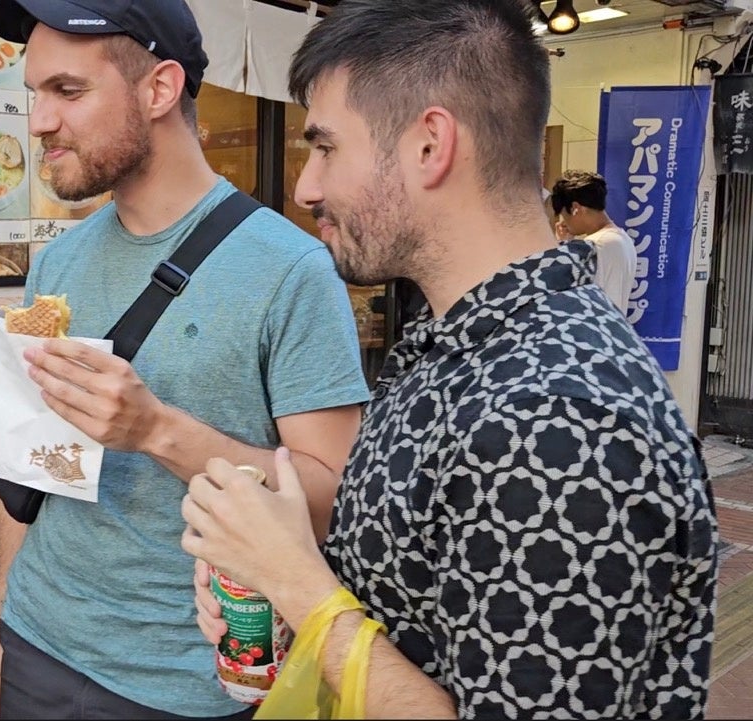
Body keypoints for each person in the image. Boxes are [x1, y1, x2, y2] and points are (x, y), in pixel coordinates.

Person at [182, 0, 716, 718]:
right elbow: (419, 621)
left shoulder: (556, 415)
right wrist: (278, 593)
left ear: (430, 144)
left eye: (327, 146)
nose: (306, 186)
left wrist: (297, 583)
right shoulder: (453, 345)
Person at [0, 0, 372, 718]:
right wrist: (0, 637)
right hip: (36, 639)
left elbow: (332, 502)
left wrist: (154, 429)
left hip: (188, 682)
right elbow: (29, 474)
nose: (38, 122)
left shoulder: (291, 270)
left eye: (68, 90)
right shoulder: (56, 264)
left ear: (158, 89)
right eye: (35, 94)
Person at [551, 169, 638, 314]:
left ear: (575, 208)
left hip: (591, 333)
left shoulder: (594, 245)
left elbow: (563, 292)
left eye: (563, 215)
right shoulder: (622, 239)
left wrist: (561, 247)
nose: (563, 222)